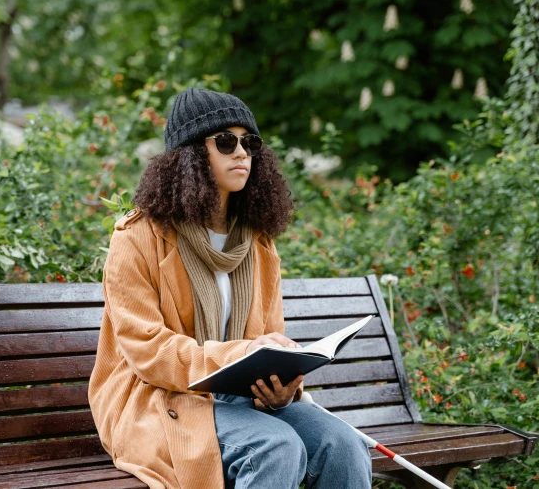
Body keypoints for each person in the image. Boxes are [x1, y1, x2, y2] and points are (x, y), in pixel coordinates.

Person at [88, 87, 372, 489]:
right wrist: (236, 354)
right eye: (225, 141)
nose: (241, 153)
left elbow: (265, 340)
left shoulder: (257, 242)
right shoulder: (137, 239)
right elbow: (146, 350)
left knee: (343, 443)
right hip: (159, 401)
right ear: (188, 155)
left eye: (250, 142)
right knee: (274, 447)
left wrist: (281, 386)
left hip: (242, 401)